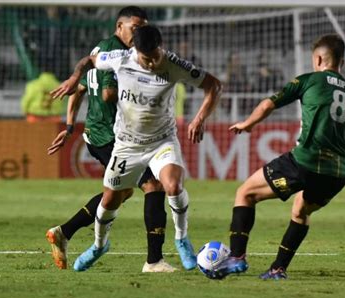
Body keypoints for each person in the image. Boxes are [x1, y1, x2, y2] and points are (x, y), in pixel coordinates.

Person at [50, 25, 222, 272]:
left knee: (172, 185)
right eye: (145, 58)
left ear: (160, 48)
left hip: (161, 141)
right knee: (110, 199)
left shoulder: (175, 65)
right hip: (127, 145)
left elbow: (214, 86)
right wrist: (75, 77)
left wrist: (199, 118)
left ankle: (181, 239)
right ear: (134, 51)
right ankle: (99, 246)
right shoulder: (120, 59)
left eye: (154, 57)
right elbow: (89, 60)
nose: (151, 63)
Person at [214, 34, 345, 280]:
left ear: (319, 58)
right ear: (341, 63)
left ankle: (237, 257)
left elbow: (269, 104)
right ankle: (278, 269)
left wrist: (248, 123)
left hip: (305, 162)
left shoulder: (310, 80)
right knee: (301, 212)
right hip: (336, 175)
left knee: (245, 193)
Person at [46, 7, 179, 273]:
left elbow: (79, 88)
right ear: (120, 26)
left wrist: (70, 126)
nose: (139, 32)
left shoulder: (102, 51)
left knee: (120, 192)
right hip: (110, 135)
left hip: (99, 134)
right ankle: (154, 261)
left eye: (143, 28)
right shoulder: (115, 53)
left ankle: (64, 232)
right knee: (152, 186)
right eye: (135, 27)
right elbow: (107, 94)